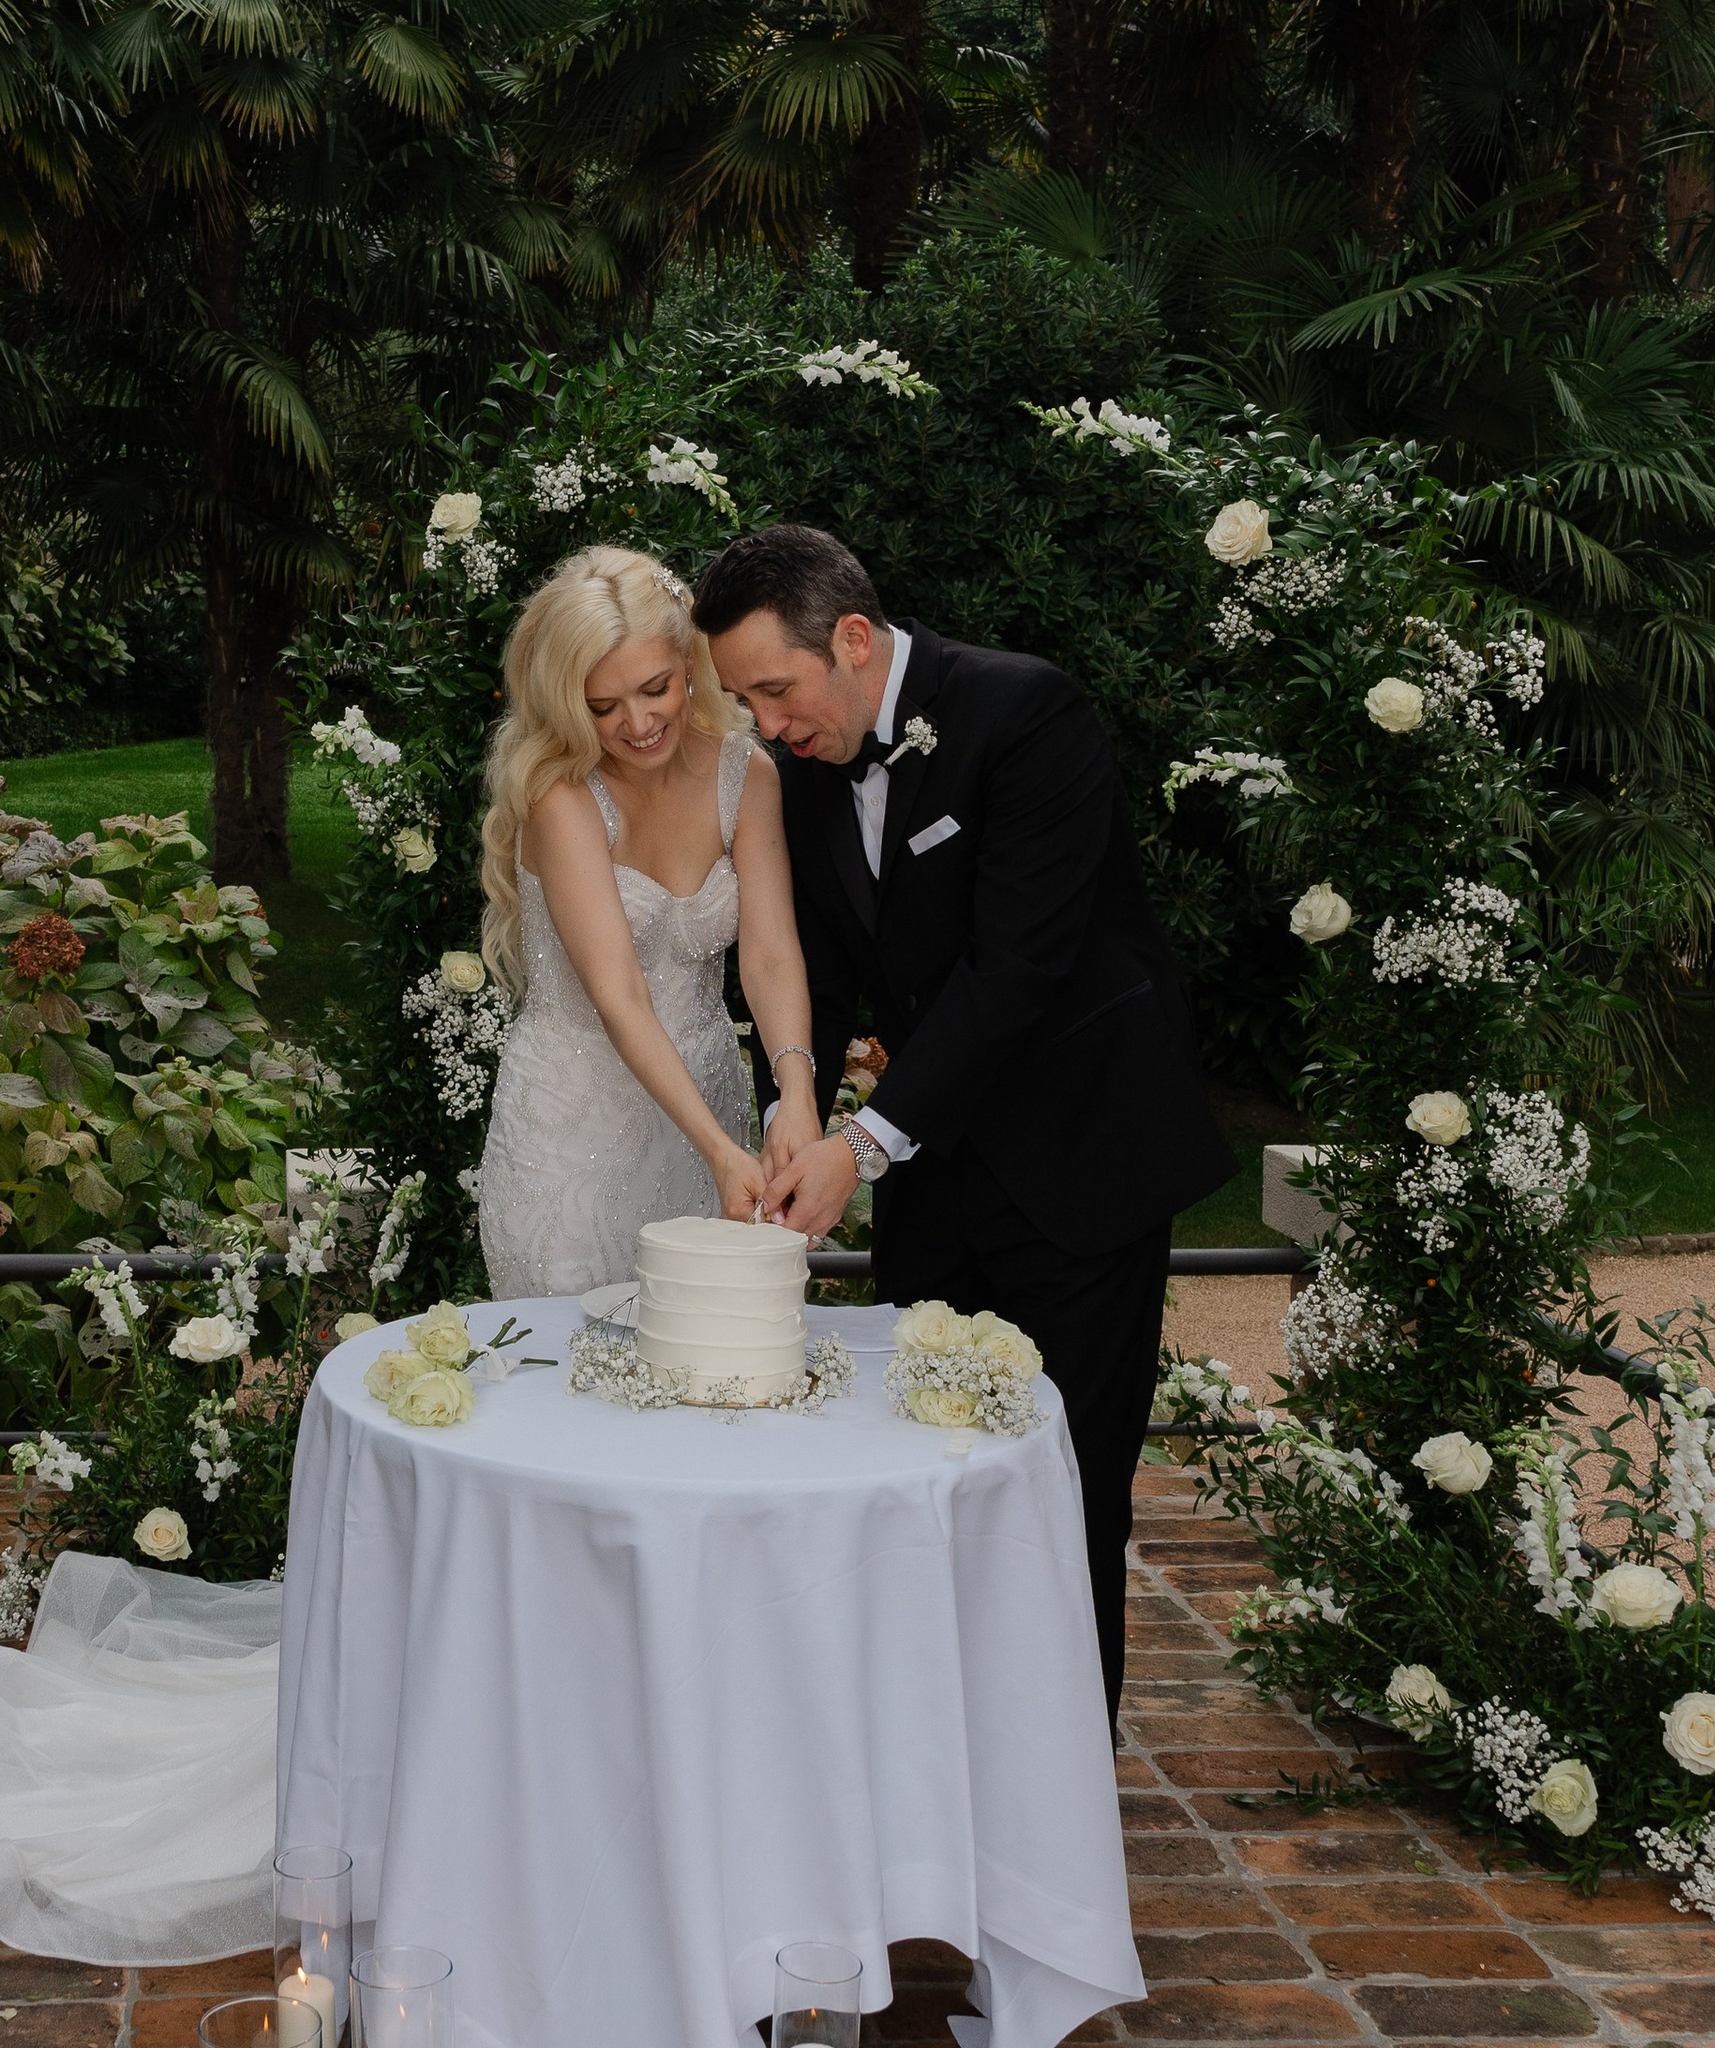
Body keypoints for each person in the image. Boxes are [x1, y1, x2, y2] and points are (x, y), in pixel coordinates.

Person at [696, 524, 1230, 1728]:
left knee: (1062, 1492)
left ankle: (1058, 1813)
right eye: (743, 702)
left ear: (851, 638)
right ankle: (935, 1779)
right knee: (915, 1483)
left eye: (774, 690)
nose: (767, 723)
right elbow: (821, 980)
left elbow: (1015, 973)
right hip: (939, 1190)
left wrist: (863, 1147)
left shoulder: (1025, 712)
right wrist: (793, 1114)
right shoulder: (807, 770)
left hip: (1081, 1167)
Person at [475, 546, 825, 1296]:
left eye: (655, 689)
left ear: (688, 664)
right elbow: (619, 995)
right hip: (572, 1140)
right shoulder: (561, 798)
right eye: (602, 707)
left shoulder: (745, 774)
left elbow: (768, 955)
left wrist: (795, 1093)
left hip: (709, 1105)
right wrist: (721, 1155)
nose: (636, 723)